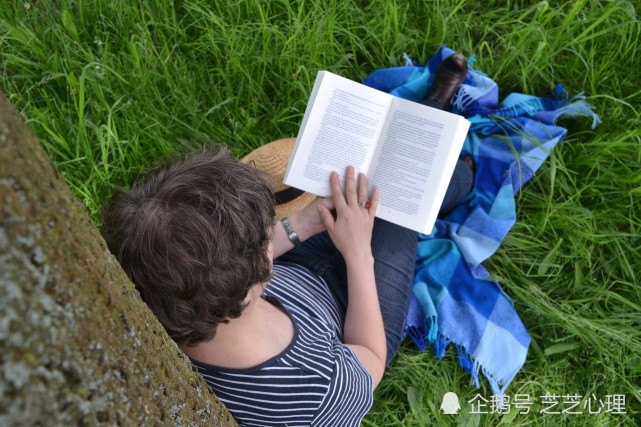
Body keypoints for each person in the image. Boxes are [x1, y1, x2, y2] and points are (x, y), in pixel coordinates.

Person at [101, 53, 471, 426]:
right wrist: (358, 253)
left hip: (298, 271)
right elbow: (370, 358)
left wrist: (306, 223)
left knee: (362, 190)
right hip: (355, 315)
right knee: (394, 197)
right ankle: (456, 153)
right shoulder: (318, 392)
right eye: (268, 234)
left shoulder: (167, 293)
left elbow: (222, 268)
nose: (275, 229)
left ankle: (434, 131)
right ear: (250, 281)